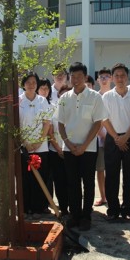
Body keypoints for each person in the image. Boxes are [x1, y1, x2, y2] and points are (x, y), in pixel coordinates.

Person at [57, 62, 107, 231]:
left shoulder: (95, 97)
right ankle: (74, 214)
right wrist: (69, 144)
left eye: (79, 76)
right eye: (73, 76)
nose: (76, 79)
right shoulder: (64, 98)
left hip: (89, 149)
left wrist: (84, 145)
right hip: (69, 148)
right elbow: (61, 124)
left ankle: (86, 215)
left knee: (88, 182)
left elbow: (97, 123)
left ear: (85, 77)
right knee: (72, 182)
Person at [101, 63, 130, 221]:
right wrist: (117, 138)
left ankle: (128, 209)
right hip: (112, 138)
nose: (120, 78)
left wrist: (125, 137)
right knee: (111, 175)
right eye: (116, 76)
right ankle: (113, 209)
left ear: (128, 77)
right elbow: (104, 119)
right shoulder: (107, 96)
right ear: (112, 78)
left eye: (123, 75)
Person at [19, 72, 52, 217]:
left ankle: (39, 207)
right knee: (25, 179)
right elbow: (16, 124)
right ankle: (26, 208)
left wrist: (39, 141)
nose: (31, 85)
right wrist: (24, 142)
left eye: (34, 82)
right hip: (23, 146)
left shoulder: (42, 101)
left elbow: (47, 123)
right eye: (28, 82)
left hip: (41, 146)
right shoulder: (18, 101)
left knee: (40, 177)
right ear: (23, 84)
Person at [48, 84, 71, 215]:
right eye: (62, 95)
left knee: (72, 180)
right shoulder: (53, 110)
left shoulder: (75, 110)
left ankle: (74, 206)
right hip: (56, 150)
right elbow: (50, 132)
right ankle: (63, 207)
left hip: (72, 150)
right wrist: (58, 149)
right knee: (59, 180)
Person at [94, 68, 112, 206]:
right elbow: (94, 119)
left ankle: (114, 196)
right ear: (97, 80)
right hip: (99, 139)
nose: (104, 79)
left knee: (114, 170)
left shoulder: (114, 95)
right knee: (100, 169)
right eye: (102, 76)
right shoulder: (95, 96)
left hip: (115, 138)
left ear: (111, 78)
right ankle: (103, 196)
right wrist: (102, 135)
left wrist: (112, 136)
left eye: (107, 76)